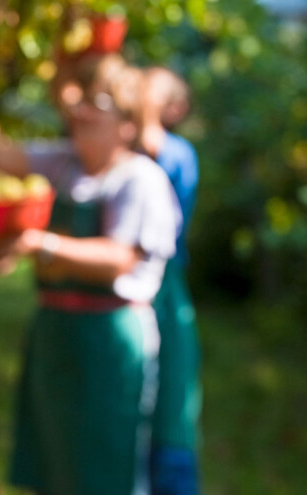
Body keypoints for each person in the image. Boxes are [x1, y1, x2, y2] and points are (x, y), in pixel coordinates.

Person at [0, 54, 181, 494]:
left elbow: (118, 259)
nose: (80, 112)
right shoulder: (65, 163)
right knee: (53, 455)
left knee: (106, 460)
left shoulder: (139, 180)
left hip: (110, 338)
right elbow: (0, 154)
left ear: (127, 122)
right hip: (54, 330)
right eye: (80, 101)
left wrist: (41, 244)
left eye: (96, 103)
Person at [139, 66, 202, 495]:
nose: (142, 86)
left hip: (164, 292)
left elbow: (150, 142)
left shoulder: (177, 152)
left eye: (153, 87)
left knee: (170, 413)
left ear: (175, 108)